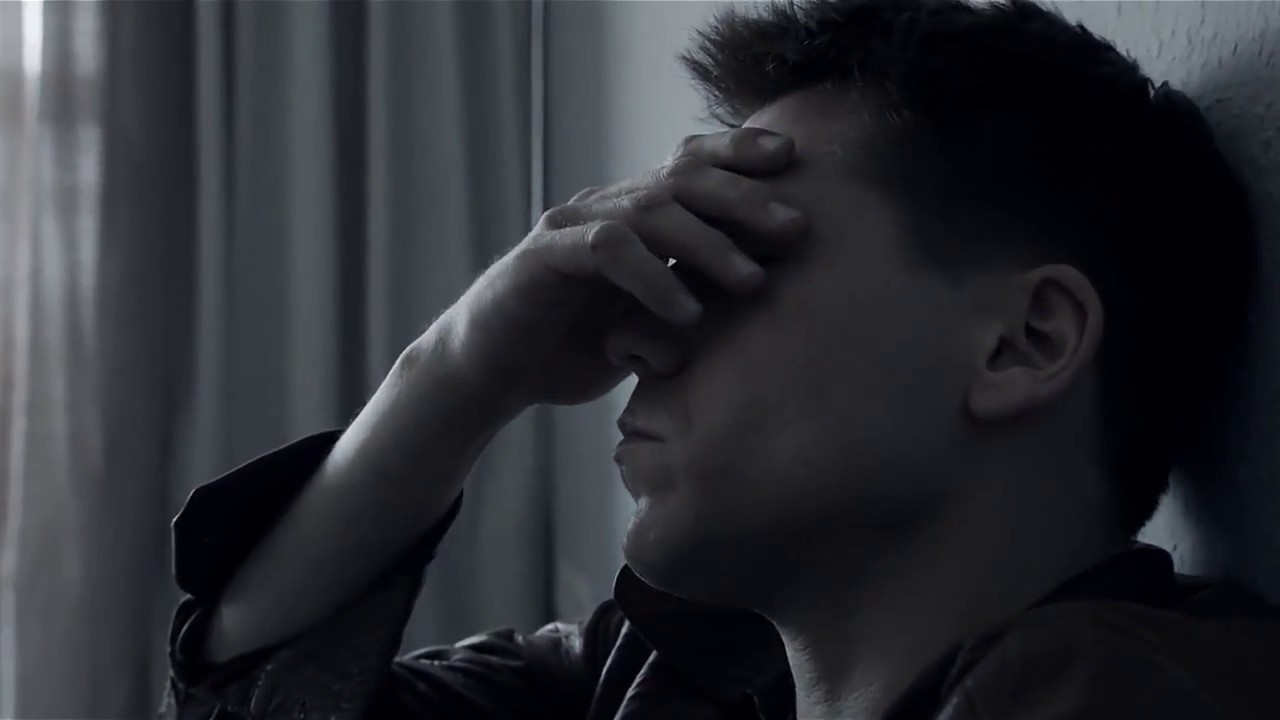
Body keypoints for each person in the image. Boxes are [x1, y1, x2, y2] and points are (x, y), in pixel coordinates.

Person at [159, 1, 1279, 719]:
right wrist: (456, 368)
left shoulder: (1116, 689)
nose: (635, 334)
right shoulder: (656, 678)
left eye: (729, 258)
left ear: (1023, 343)